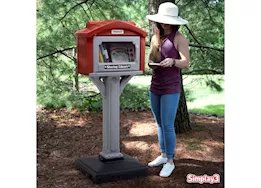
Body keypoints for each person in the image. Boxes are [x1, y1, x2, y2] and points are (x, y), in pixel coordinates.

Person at [146, 2, 190, 177]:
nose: (164, 23)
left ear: (174, 22)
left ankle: (170, 161)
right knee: (158, 124)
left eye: (168, 21)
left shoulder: (180, 38)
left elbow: (186, 62)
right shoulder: (155, 37)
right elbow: (151, 60)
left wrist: (173, 61)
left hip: (171, 88)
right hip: (155, 85)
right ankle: (163, 155)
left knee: (167, 125)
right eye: (162, 20)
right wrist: (152, 63)